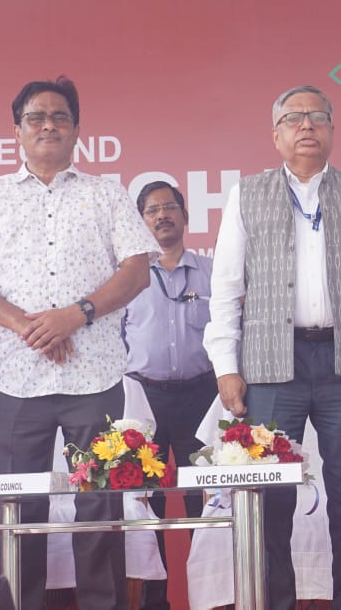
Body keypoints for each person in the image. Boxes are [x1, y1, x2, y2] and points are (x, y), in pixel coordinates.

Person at [0, 77, 160, 610]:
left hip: (95, 377)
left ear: (77, 130)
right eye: (35, 117)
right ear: (16, 130)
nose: (48, 126)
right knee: (18, 510)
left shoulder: (106, 194)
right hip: (16, 379)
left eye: (60, 117)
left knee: (100, 506)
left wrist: (74, 316)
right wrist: (28, 327)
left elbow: (136, 271)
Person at [203, 84, 341, 609]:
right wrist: (226, 366)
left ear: (334, 130)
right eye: (293, 119)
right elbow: (225, 287)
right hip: (272, 364)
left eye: (317, 116)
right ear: (275, 135)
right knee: (270, 498)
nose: (307, 126)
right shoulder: (247, 193)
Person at [123, 181, 215, 610]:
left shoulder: (213, 273)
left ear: (184, 216)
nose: (162, 215)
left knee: (207, 500)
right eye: (152, 210)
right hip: (144, 401)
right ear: (140, 221)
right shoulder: (126, 278)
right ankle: (152, 603)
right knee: (145, 502)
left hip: (203, 396)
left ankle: (213, 597)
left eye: (170, 207)